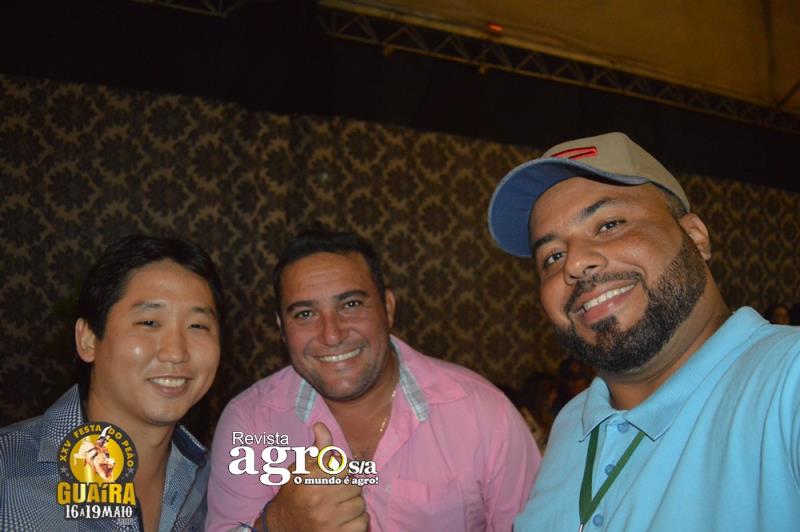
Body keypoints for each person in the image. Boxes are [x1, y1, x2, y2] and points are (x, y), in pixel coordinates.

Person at [487, 132, 800, 531]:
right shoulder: (571, 424)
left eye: (609, 224)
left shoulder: (787, 382)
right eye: (553, 255)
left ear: (695, 237)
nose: (575, 263)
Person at [206, 229, 540, 532]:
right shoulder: (250, 423)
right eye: (305, 314)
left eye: (351, 305)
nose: (332, 335)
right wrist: (276, 525)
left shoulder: (484, 414)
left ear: (388, 308)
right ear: (282, 329)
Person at [0, 235, 225, 531]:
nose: (175, 352)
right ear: (88, 339)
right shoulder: (8, 471)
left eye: (197, 326)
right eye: (149, 322)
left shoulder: (221, 487)